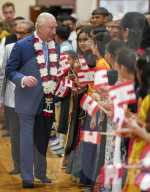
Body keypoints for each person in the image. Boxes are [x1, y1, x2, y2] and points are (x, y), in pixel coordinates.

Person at [5, 13, 60, 188]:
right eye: (51, 28)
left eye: (55, 27)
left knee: (43, 139)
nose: (54, 31)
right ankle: (27, 177)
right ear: (40, 28)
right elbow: (10, 70)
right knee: (27, 140)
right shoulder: (21, 46)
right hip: (27, 101)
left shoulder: (57, 47)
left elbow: (56, 72)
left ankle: (41, 173)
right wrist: (22, 79)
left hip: (47, 102)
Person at [0, 20, 35, 174]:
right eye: (17, 33)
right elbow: (3, 75)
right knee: (14, 134)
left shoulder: (39, 48)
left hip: (31, 98)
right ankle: (18, 165)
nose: (19, 36)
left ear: (32, 33)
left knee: (29, 133)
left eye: (23, 33)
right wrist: (1, 99)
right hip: (11, 98)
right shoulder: (9, 48)